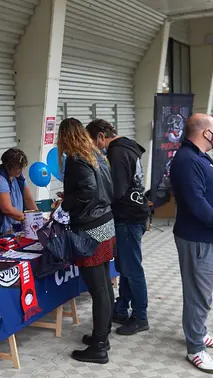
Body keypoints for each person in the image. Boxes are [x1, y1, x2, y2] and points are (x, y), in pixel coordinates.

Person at [169, 114, 213, 373]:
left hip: (207, 238)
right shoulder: (186, 160)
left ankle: (199, 333)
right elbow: (195, 202)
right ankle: (196, 348)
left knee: (200, 293)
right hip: (199, 240)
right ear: (206, 132)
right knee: (199, 295)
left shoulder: (197, 156)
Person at [59, 118, 116, 364]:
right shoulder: (96, 154)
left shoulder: (76, 158)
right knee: (104, 283)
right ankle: (102, 336)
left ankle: (99, 347)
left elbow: (88, 190)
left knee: (99, 288)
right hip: (105, 223)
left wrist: (66, 203)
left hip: (90, 229)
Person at [86, 119, 151, 336]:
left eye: (93, 142)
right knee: (125, 266)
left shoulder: (117, 152)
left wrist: (94, 200)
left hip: (128, 217)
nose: (95, 147)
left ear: (101, 136)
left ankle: (140, 316)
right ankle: (122, 308)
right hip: (133, 214)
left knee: (132, 269)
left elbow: (116, 190)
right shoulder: (126, 147)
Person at [0, 148, 38, 236]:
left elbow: (28, 200)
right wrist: (28, 219)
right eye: (17, 168)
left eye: (21, 167)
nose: (20, 170)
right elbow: (7, 209)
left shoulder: (19, 176)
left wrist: (37, 216)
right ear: (8, 166)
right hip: (0, 228)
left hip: (16, 227)